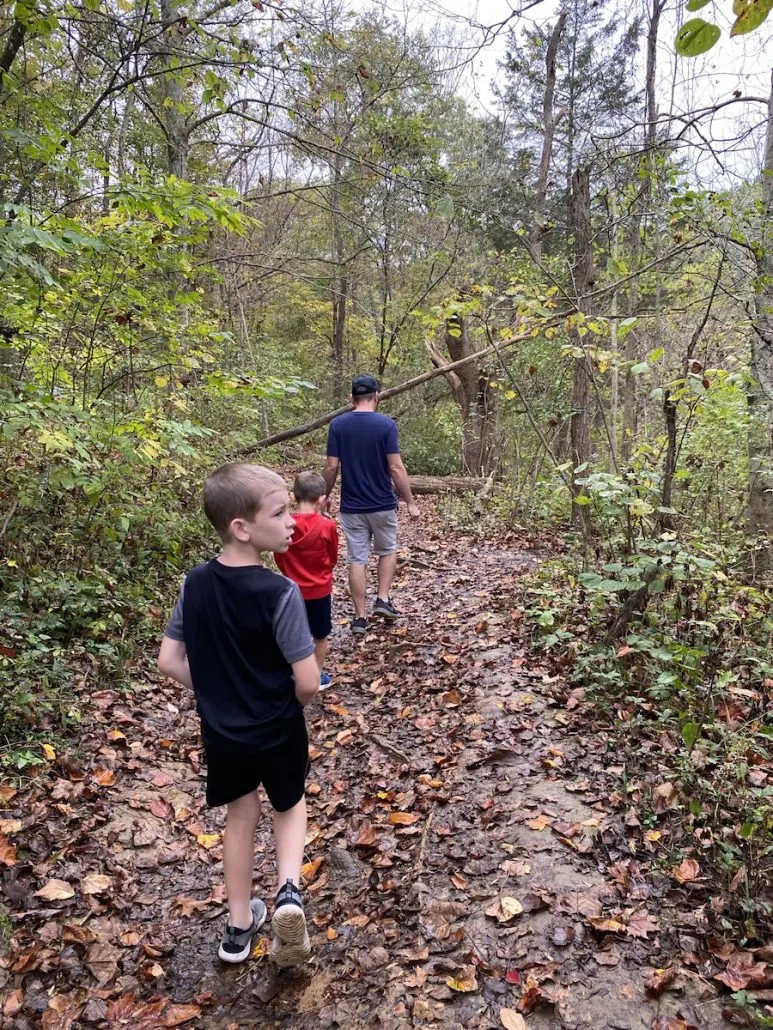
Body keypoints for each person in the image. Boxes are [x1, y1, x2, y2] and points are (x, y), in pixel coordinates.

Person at [157, 463, 319, 968]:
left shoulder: (196, 583)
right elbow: (309, 681)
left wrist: (215, 695)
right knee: (289, 805)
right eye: (280, 512)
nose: (292, 520)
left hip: (222, 732)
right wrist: (291, 702)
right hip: (276, 726)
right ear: (242, 528)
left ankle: (237, 927)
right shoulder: (280, 593)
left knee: (240, 816)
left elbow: (168, 660)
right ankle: (288, 893)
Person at [324, 373, 419, 634]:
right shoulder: (386, 425)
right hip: (382, 504)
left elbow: (332, 467)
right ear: (376, 396)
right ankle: (384, 599)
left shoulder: (338, 425)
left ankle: (359, 617)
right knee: (387, 550)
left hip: (352, 506)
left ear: (351, 398)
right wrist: (410, 502)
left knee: (357, 558)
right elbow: (396, 468)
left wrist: (325, 494)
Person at [274, 471, 339, 689]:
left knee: (292, 632)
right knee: (320, 635)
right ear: (322, 499)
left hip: (291, 591)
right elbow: (332, 558)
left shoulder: (286, 525)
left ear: (293, 496)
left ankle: (291, 673)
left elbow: (279, 555)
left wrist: (289, 572)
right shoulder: (327, 526)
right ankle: (316, 676)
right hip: (320, 590)